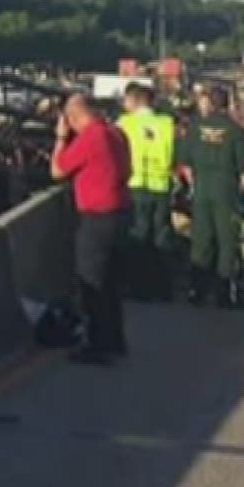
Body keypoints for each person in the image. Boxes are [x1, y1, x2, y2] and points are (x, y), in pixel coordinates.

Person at [52, 93, 131, 364]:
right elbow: (127, 170)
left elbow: (58, 170)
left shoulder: (90, 138)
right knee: (111, 282)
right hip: (120, 213)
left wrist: (61, 139)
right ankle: (115, 339)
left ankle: (98, 344)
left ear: (73, 118)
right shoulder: (116, 133)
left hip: (97, 216)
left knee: (92, 282)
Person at [179, 85, 244, 308]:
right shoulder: (235, 130)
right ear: (228, 103)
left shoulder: (195, 128)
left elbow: (186, 165)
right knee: (227, 241)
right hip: (227, 190)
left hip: (202, 190)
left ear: (210, 103)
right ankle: (224, 294)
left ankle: (198, 290)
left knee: (201, 240)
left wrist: (195, 185)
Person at [116, 83, 179, 301]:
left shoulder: (125, 123)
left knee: (137, 236)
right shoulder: (167, 123)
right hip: (161, 186)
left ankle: (138, 287)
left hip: (135, 184)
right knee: (161, 235)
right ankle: (162, 287)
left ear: (134, 101)